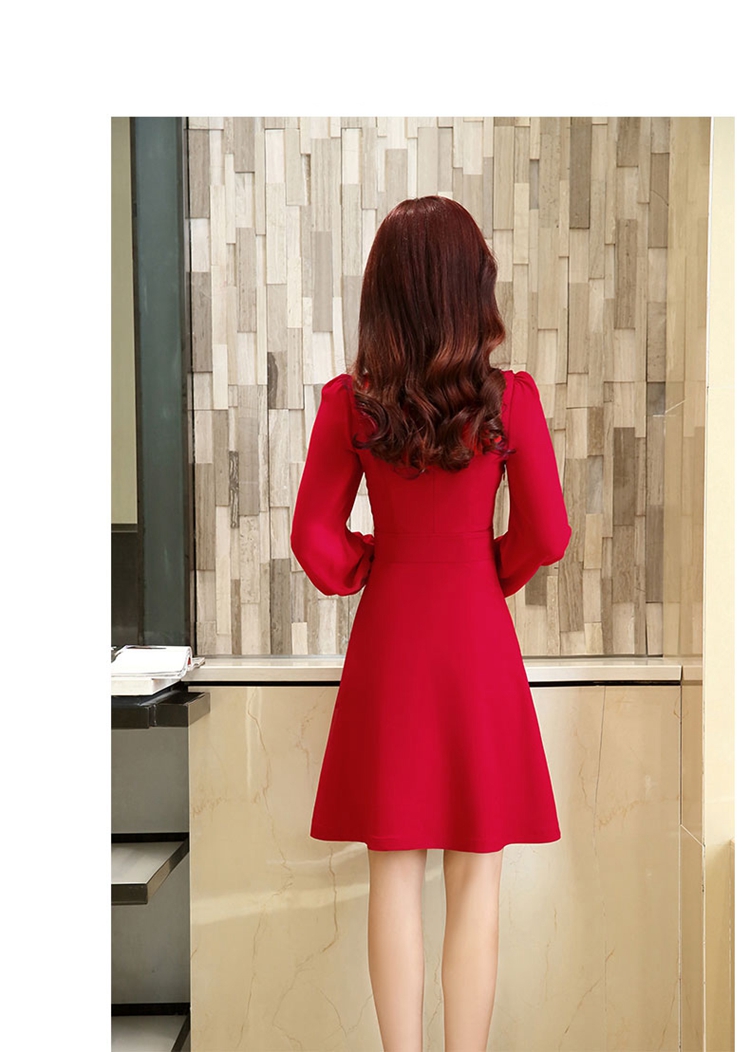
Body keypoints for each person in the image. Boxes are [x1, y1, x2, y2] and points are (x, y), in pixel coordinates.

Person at [290, 195, 571, 1052]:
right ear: (472, 289)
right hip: (478, 642)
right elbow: (548, 533)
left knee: (393, 872)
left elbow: (313, 540)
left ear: (384, 293)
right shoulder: (511, 402)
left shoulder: (352, 405)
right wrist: (490, 571)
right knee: (477, 878)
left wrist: (372, 564)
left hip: (392, 646)